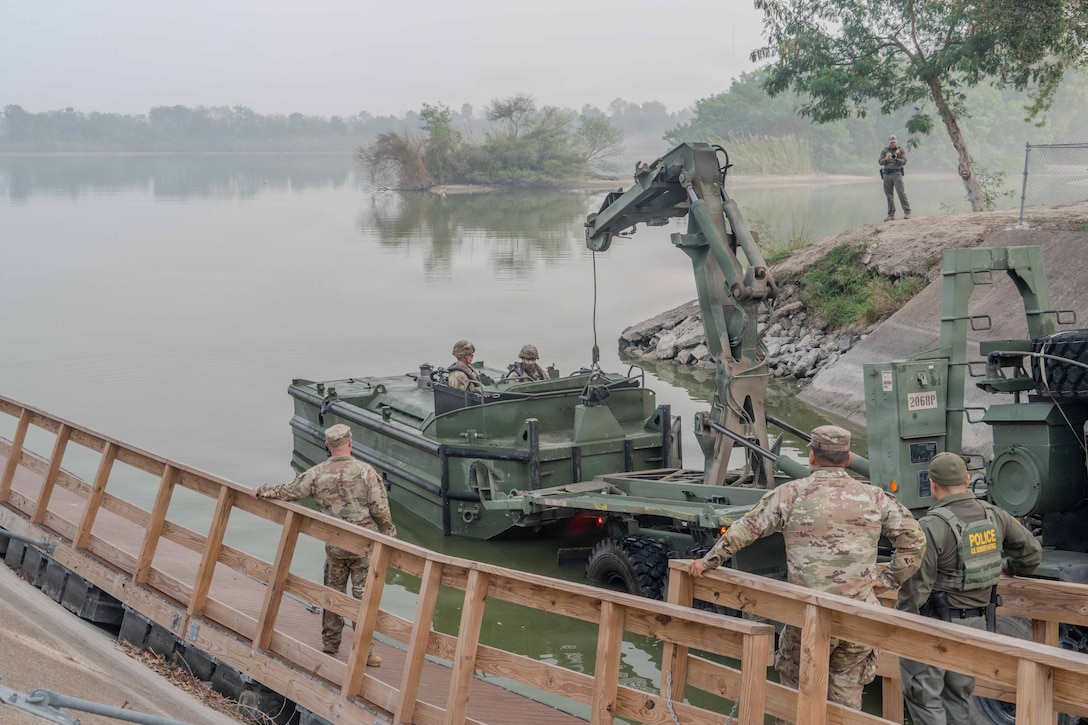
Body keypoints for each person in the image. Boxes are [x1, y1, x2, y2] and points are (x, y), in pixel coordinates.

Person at [689, 425, 925, 719]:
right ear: (848, 459)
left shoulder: (792, 493)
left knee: (794, 699)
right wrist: (887, 580)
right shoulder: (874, 497)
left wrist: (707, 562)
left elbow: (746, 530)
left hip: (807, 618)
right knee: (845, 705)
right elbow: (915, 542)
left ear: (811, 457)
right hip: (859, 617)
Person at [896, 452, 1041, 725]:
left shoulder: (930, 525)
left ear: (933, 484)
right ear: (966, 479)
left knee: (923, 697)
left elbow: (916, 589)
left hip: (934, 626)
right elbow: (1032, 555)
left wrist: (900, 625)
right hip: (977, 624)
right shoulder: (995, 515)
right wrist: (1008, 567)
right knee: (959, 699)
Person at [251, 423, 396, 666]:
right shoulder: (366, 472)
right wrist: (389, 537)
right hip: (365, 548)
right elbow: (380, 511)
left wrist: (261, 491)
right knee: (363, 599)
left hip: (335, 546)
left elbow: (289, 491)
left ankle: (331, 643)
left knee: (333, 594)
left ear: (327, 445)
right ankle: (365, 652)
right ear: (350, 442)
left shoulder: (316, 473)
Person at [879, 134, 911, 221]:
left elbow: (904, 161)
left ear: (896, 142)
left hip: (897, 173)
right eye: (891, 142)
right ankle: (891, 214)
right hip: (887, 174)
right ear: (889, 143)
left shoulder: (900, 150)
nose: (892, 144)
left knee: (901, 193)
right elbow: (880, 162)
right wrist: (887, 159)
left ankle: (907, 212)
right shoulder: (885, 151)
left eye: (894, 142)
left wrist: (896, 159)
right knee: (889, 195)